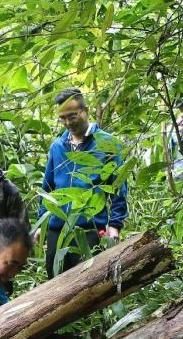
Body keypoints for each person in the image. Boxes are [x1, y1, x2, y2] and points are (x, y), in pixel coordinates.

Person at [37, 87, 128, 278]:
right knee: (54, 290)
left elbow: (118, 187)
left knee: (89, 286)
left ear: (85, 111)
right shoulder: (57, 147)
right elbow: (48, 188)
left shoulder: (108, 144)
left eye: (72, 116)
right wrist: (41, 224)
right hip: (58, 230)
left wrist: (115, 225)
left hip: (91, 230)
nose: (67, 123)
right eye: (62, 118)